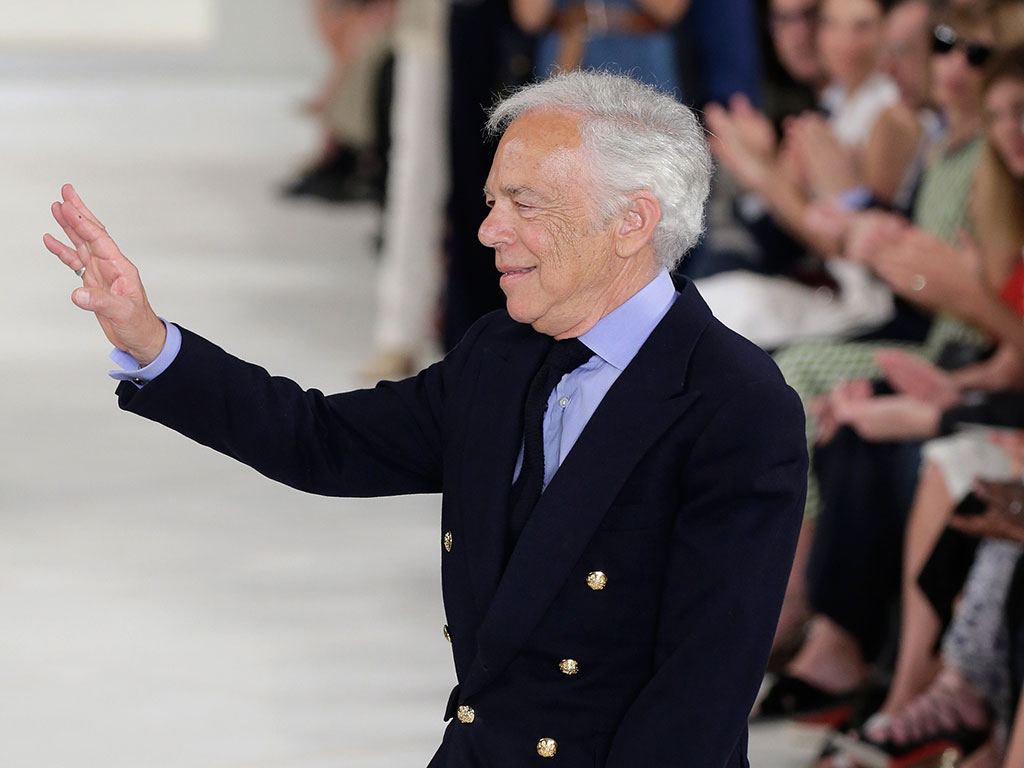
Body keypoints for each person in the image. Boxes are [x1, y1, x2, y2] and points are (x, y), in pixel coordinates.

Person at [43, 71, 807, 767]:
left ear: (632, 222)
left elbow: (696, 705)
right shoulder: (501, 354)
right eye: (492, 203)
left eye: (525, 205)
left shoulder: (736, 407)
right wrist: (150, 341)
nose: (489, 231)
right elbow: (322, 442)